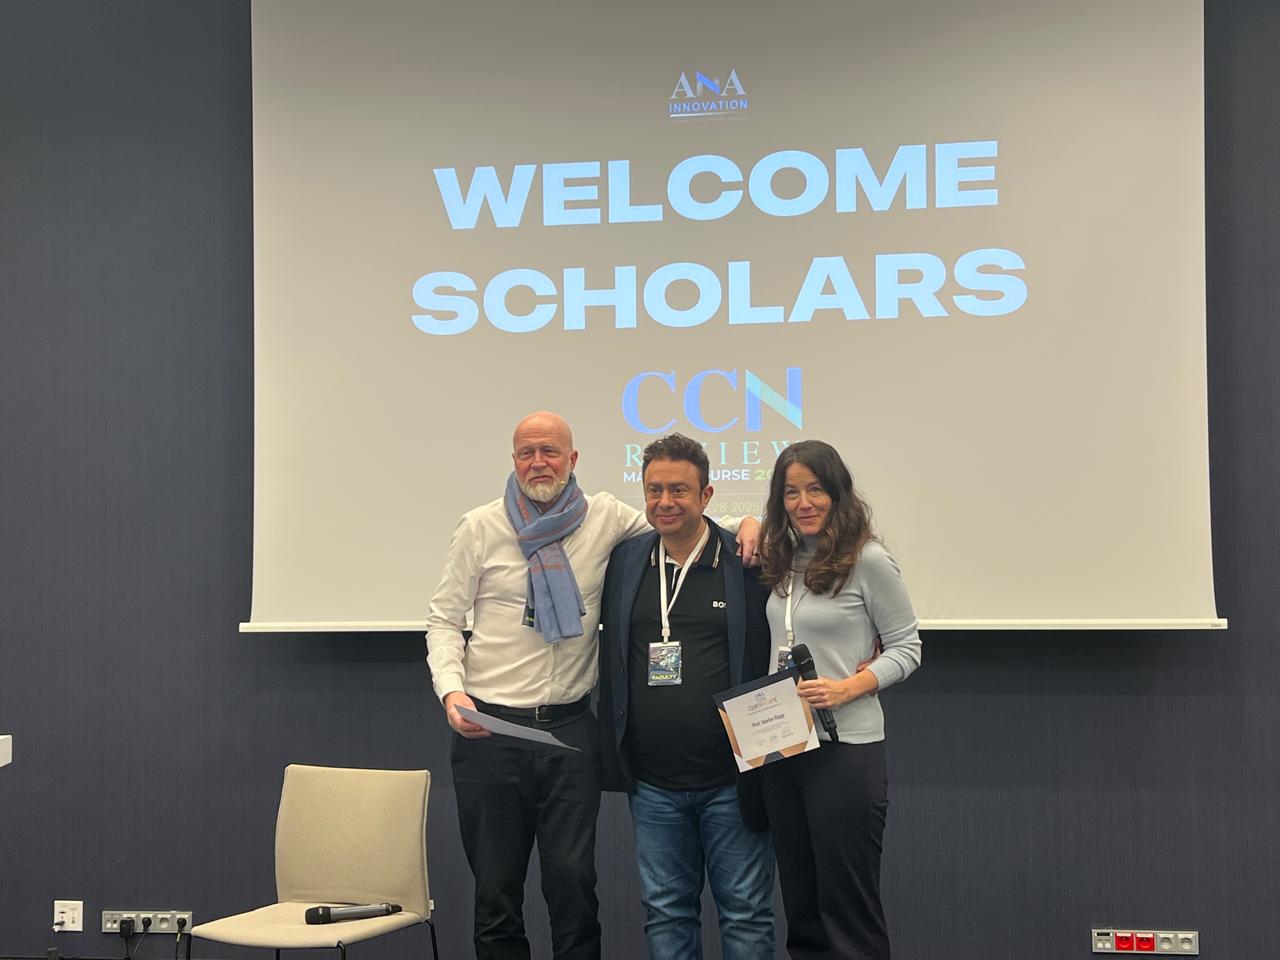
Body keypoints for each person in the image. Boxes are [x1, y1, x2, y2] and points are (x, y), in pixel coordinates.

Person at [425, 412, 758, 960]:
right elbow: (443, 619)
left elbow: (681, 520)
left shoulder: (605, 519)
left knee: (574, 888)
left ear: (572, 459)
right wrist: (451, 690)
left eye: (550, 452)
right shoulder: (480, 527)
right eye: (527, 452)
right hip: (490, 733)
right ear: (514, 460)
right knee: (496, 894)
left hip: (571, 733)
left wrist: (748, 522)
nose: (539, 463)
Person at [598, 433, 775, 960]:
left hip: (733, 778)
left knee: (746, 915)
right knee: (666, 913)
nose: (665, 501)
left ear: (707, 495)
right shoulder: (626, 561)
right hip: (652, 784)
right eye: (654, 489)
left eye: (679, 489)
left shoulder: (744, 561)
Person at [756, 440, 922, 960]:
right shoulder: (785, 558)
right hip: (785, 749)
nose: (803, 502)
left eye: (815, 489)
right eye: (791, 492)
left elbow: (908, 648)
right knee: (802, 908)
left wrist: (847, 687)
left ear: (837, 493)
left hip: (845, 750)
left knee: (848, 911)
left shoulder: (868, 560)